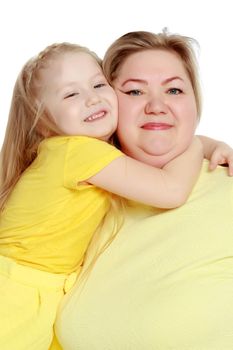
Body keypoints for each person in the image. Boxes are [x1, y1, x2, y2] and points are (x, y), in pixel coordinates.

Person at [0, 40, 215, 350]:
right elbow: (170, 191)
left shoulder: (84, 154)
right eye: (71, 94)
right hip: (15, 293)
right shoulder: (79, 153)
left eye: (98, 84)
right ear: (43, 120)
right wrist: (195, 145)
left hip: (41, 291)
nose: (91, 99)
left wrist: (209, 144)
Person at [54, 31, 233, 350]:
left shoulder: (227, 188)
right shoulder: (79, 205)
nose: (156, 106)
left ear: (195, 105)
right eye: (135, 91)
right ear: (105, 103)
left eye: (174, 90)